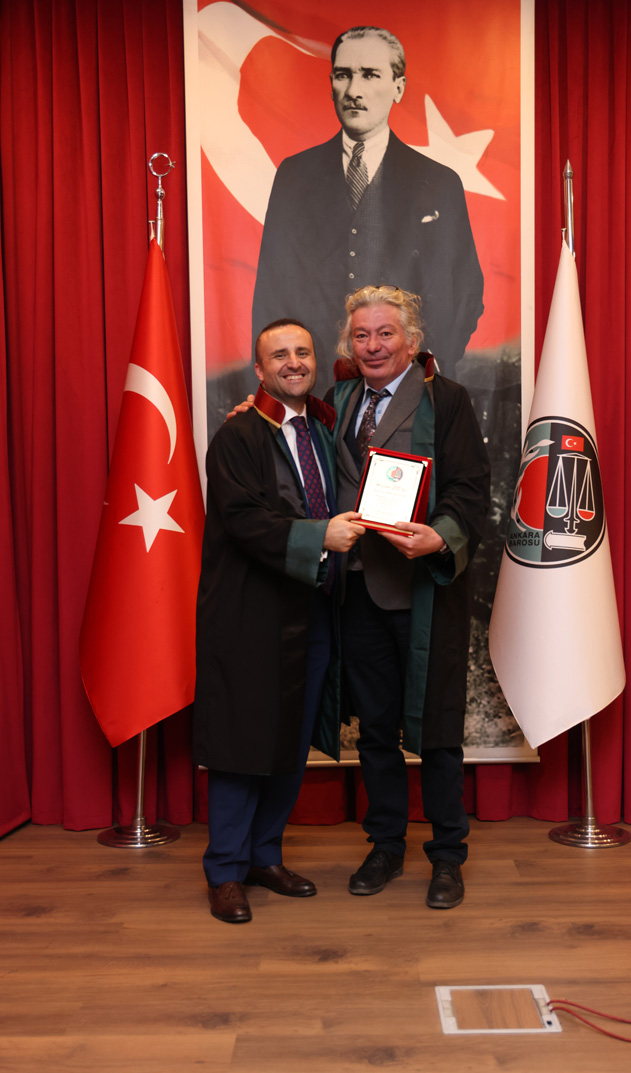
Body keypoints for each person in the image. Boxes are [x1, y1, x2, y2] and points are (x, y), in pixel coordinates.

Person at [194, 320, 364, 923]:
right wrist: (321, 536)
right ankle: (225, 870)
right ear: (259, 369)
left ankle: (265, 855)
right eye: (279, 355)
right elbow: (245, 521)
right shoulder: (237, 436)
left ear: (315, 361)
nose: (293, 362)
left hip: (312, 609)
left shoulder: (322, 429)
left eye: (303, 352)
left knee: (291, 741)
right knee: (243, 742)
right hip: (251, 612)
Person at [329, 285, 490, 908]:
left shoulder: (445, 400)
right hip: (358, 591)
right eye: (361, 336)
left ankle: (447, 855)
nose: (373, 345)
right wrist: (252, 410)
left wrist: (440, 536)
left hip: (424, 592)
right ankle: (386, 845)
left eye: (385, 333)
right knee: (375, 730)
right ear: (350, 345)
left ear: (412, 341)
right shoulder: (338, 401)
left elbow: (470, 487)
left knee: (439, 730)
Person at [251, 26, 484, 394]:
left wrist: (425, 367)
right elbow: (271, 289)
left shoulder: (439, 183)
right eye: (343, 75)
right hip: (316, 392)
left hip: (411, 392)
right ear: (331, 83)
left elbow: (466, 290)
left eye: (370, 75)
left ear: (398, 86)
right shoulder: (294, 176)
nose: (353, 90)